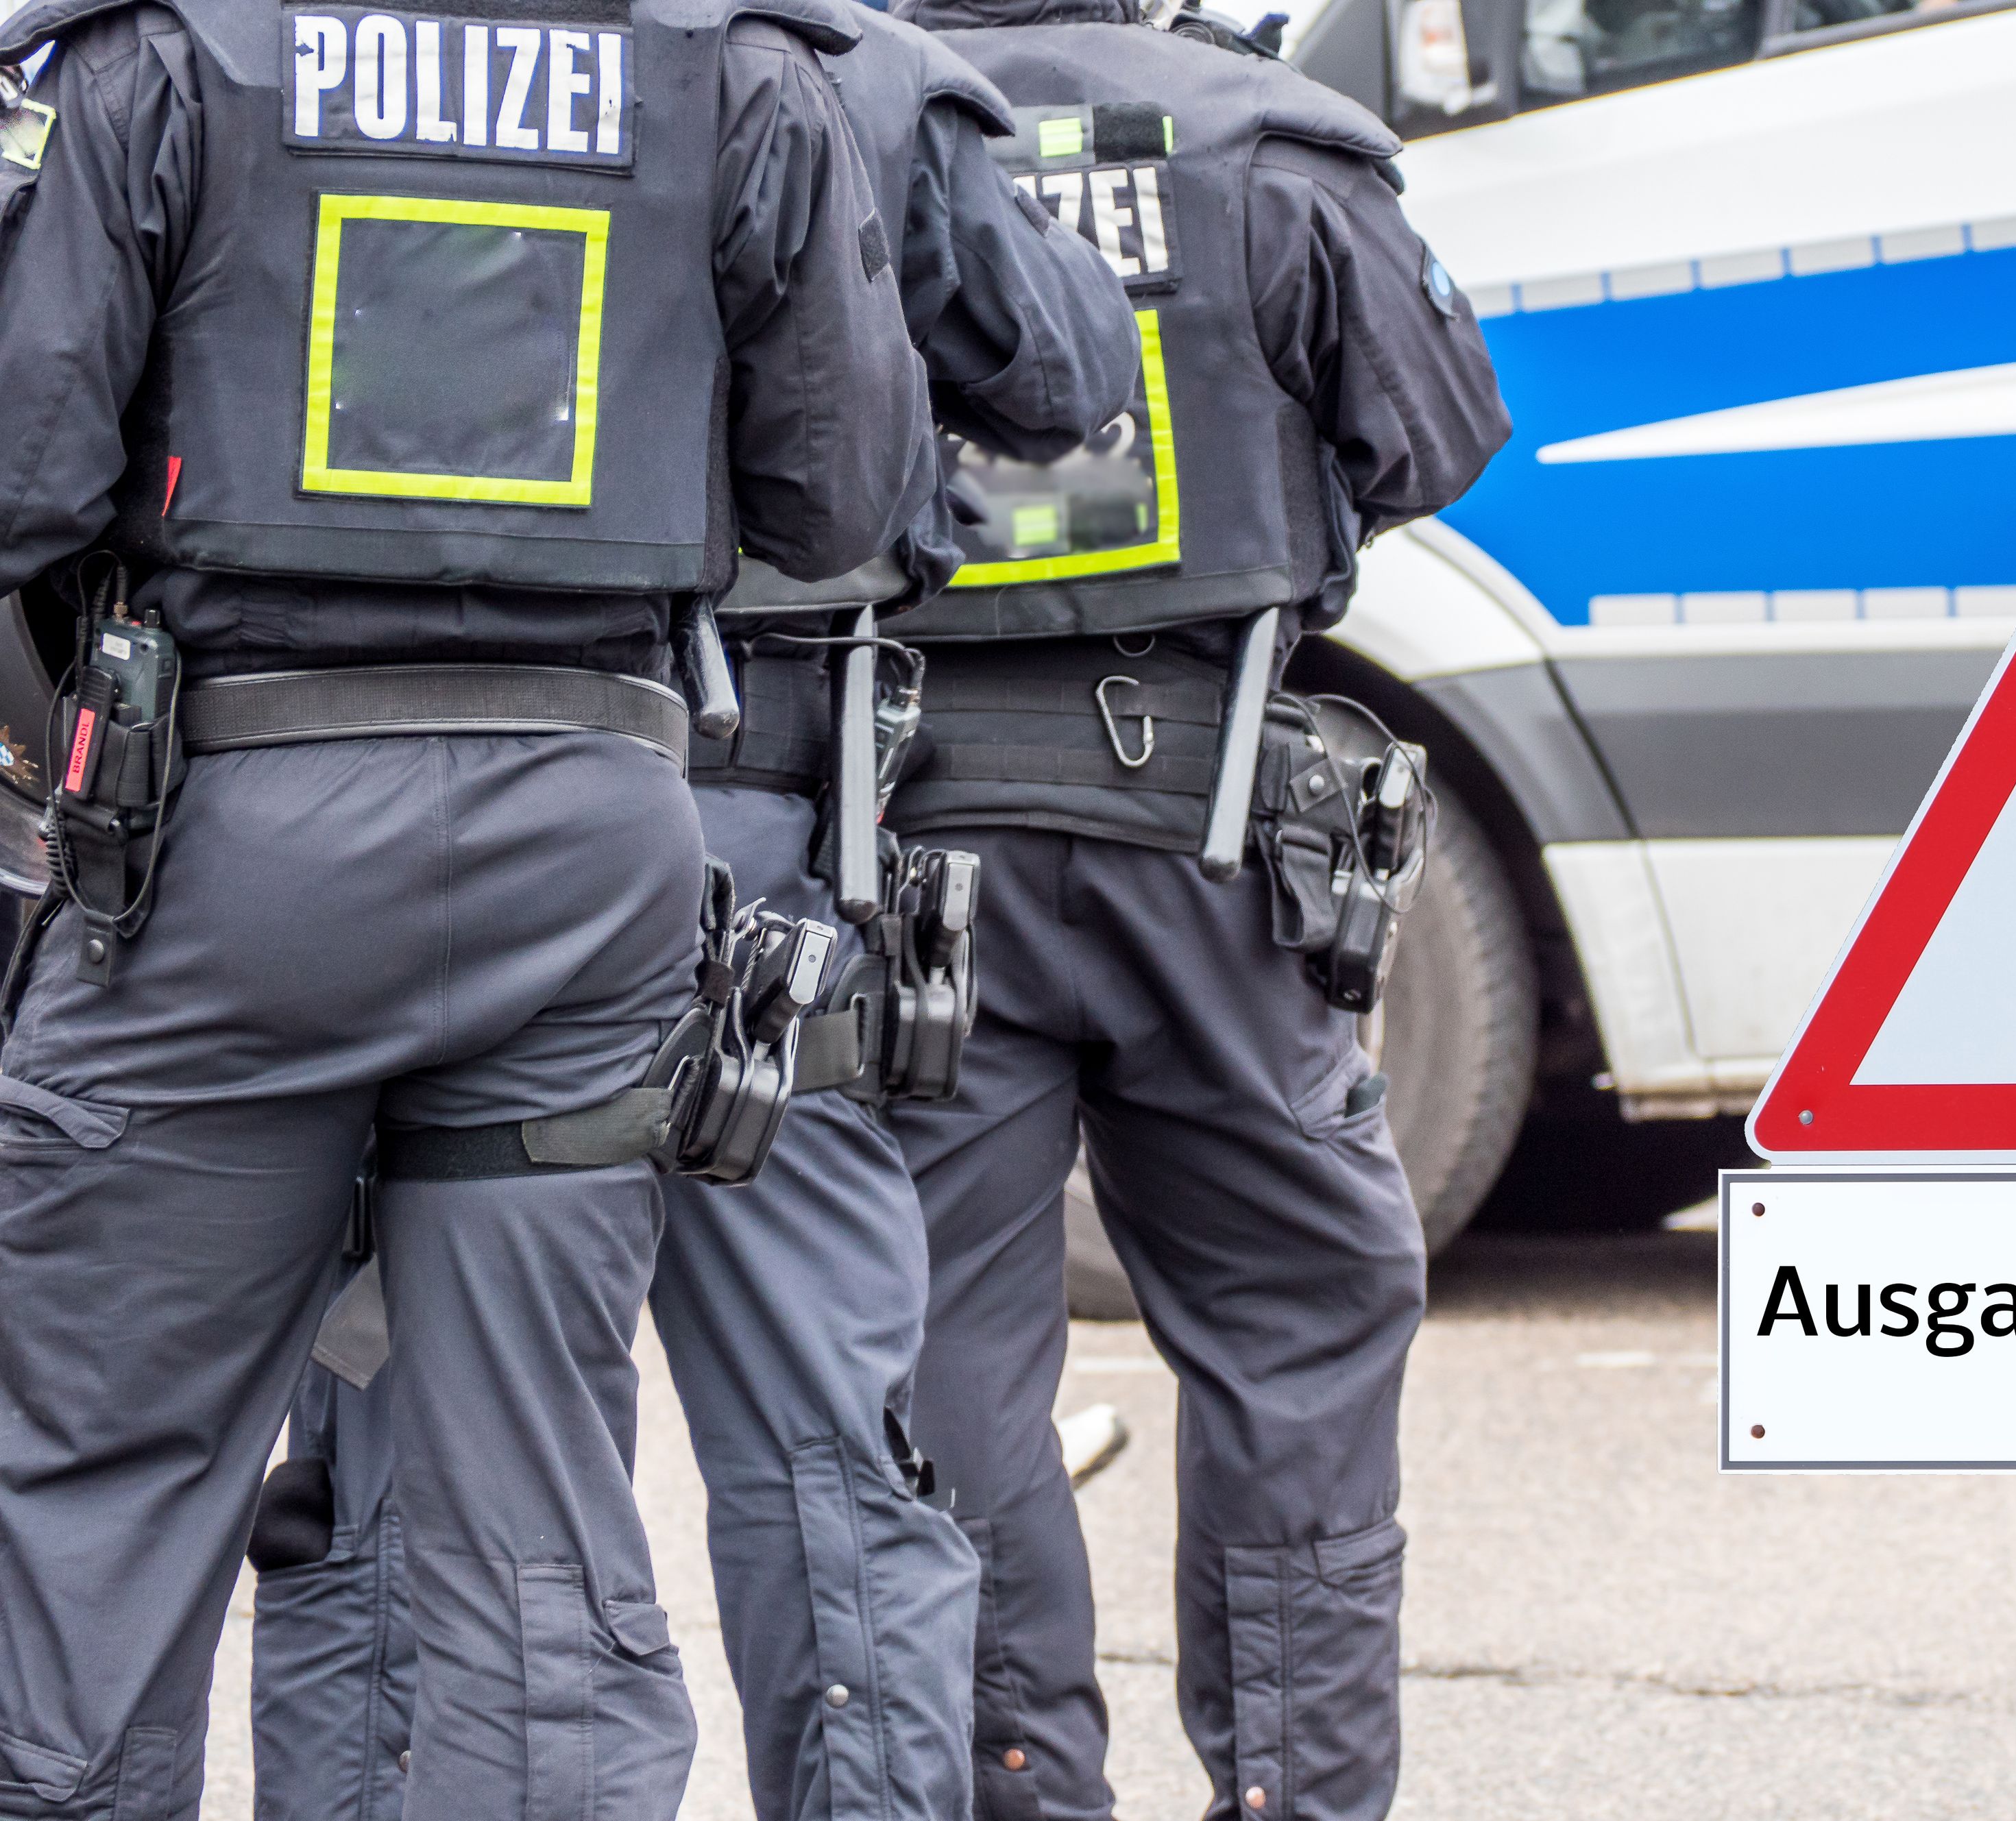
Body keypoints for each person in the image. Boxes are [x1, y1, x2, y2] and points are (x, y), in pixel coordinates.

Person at [0, 0, 925, 1807]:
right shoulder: (735, 68)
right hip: (588, 846)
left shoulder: (161, 56)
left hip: (226, 844)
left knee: (105, 1500)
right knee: (538, 1531)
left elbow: (24, 475)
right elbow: (842, 498)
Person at [238, 12, 1143, 1821]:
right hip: (741, 835)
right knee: (824, 1438)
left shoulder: (270, 46)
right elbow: (1065, 373)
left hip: (361, 814)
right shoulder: (831, 70)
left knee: (390, 1433)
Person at [877, 2, 1509, 1815]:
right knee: (1301, 1325)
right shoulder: (1267, 139)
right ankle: (1296, 1792)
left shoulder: (839, 116)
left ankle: (1016, 1786)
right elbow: (1436, 434)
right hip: (1217, 837)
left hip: (920, 842)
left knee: (941, 1354)